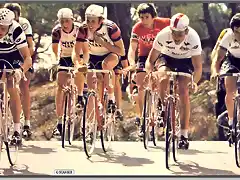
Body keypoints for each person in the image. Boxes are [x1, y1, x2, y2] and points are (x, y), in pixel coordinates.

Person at [146, 13, 203, 149]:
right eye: (174, 33)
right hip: (167, 58)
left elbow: (198, 67)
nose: (176, 37)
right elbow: (150, 60)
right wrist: (150, 73)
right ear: (170, 30)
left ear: (186, 31)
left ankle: (183, 135)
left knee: (183, 92)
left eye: (180, 34)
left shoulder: (194, 38)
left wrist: (194, 82)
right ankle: (162, 108)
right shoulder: (163, 35)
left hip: (186, 61)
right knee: (163, 77)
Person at [75, 4, 125, 127]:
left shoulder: (111, 27)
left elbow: (121, 51)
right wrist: (78, 63)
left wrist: (102, 42)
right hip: (93, 56)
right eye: (88, 20)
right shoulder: (83, 29)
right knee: (92, 87)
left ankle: (112, 99)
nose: (90, 24)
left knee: (106, 65)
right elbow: (76, 51)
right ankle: (91, 122)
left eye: (93, 21)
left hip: (111, 54)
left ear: (101, 20)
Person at [127, 3, 170, 136]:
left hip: (161, 54)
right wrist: (132, 63)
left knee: (162, 78)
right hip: (144, 56)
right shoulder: (137, 28)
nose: (144, 20)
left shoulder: (165, 23)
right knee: (141, 86)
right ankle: (141, 119)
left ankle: (163, 110)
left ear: (153, 16)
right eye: (141, 18)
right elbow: (132, 48)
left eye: (146, 17)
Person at [51, 8, 86, 136]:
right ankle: (59, 121)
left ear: (72, 20)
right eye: (62, 21)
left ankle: (80, 96)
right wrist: (56, 61)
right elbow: (55, 49)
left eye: (67, 21)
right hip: (65, 57)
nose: (65, 24)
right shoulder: (56, 30)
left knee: (78, 73)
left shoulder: (79, 29)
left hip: (78, 55)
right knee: (60, 86)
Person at [0, 8, 32, 144]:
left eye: (2, 29)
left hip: (13, 55)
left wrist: (21, 70)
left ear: (9, 26)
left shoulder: (16, 30)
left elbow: (27, 58)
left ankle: (17, 130)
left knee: (11, 85)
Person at [211, 13, 240, 136]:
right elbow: (218, 58)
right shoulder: (228, 36)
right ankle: (232, 121)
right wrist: (215, 72)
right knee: (230, 89)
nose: (239, 36)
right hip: (232, 60)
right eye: (237, 32)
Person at [211, 28, 228, 141]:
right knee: (222, 98)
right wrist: (215, 73)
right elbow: (215, 58)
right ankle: (222, 128)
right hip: (224, 69)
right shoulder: (226, 33)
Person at [113, 55, 129, 120]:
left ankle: (118, 109)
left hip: (116, 64)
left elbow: (124, 61)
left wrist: (124, 71)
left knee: (116, 79)